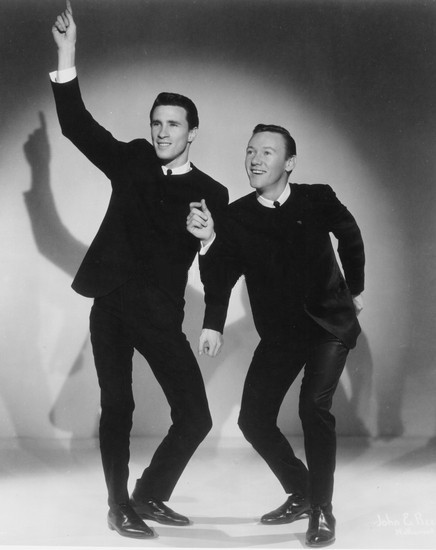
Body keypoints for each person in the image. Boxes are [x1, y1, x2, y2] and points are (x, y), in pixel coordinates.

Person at [51, 1, 228, 540]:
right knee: (118, 407)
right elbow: (77, 125)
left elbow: (221, 268)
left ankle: (148, 494)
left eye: (173, 125)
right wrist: (67, 52)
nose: (162, 132)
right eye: (156, 123)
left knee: (195, 417)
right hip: (111, 305)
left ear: (192, 132)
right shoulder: (130, 159)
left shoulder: (213, 192)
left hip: (159, 314)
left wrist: (209, 239)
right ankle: (117, 505)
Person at [187, 123, 365, 547]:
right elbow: (221, 275)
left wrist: (355, 289)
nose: (255, 159)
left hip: (328, 324)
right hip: (282, 334)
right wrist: (209, 243)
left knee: (313, 407)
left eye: (267, 152)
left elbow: (350, 235)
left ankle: (321, 511)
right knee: (253, 420)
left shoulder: (317, 197)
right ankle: (303, 492)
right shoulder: (237, 216)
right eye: (250, 151)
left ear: (289, 163)